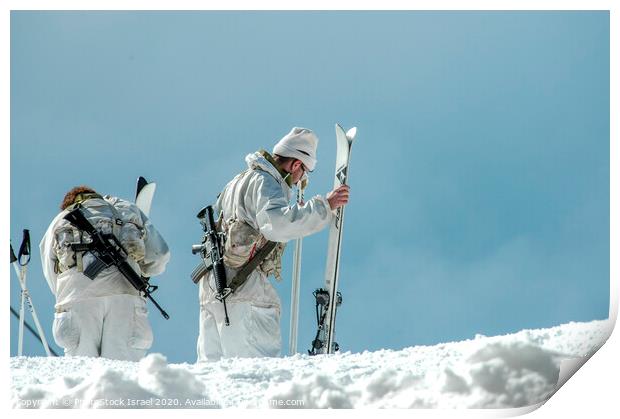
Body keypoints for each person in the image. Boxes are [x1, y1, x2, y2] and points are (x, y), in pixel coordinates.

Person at [196, 127, 350, 361]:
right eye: (304, 173)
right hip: (241, 285)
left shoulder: (237, 181)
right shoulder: (266, 181)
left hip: (213, 286)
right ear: (296, 165)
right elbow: (278, 224)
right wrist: (324, 206)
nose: (301, 180)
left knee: (212, 373)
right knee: (254, 367)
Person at [40, 185, 170, 361]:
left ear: (69, 203)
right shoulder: (128, 210)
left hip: (77, 297)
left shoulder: (60, 220)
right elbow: (159, 254)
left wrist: (69, 292)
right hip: (126, 294)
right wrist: (143, 275)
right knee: (124, 372)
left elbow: (51, 271)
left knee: (81, 372)